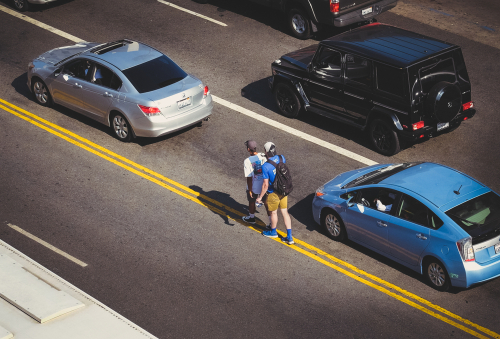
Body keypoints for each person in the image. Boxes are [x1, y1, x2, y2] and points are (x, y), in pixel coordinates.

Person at [256, 142, 294, 245]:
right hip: (284, 190)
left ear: (266, 152)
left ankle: (273, 232)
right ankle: (289, 237)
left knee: (273, 213)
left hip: (274, 193)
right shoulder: (282, 158)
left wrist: (259, 198)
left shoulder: (265, 166)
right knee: (285, 212)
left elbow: (265, 185)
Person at [242, 140, 270, 225]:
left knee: (251, 202)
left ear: (248, 149)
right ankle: (270, 222)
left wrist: (250, 190)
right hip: (264, 186)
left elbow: (249, 177)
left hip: (254, 186)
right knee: (266, 204)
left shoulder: (247, 161)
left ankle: (252, 218)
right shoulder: (263, 155)